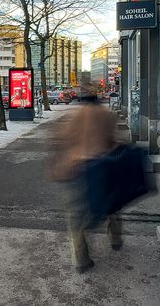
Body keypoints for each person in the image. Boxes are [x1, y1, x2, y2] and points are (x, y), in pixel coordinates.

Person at [51, 82, 121, 273]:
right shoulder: (107, 115)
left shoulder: (75, 116)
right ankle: (115, 238)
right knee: (112, 203)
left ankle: (81, 259)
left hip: (77, 168)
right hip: (102, 166)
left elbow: (63, 139)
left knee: (76, 213)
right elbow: (113, 141)